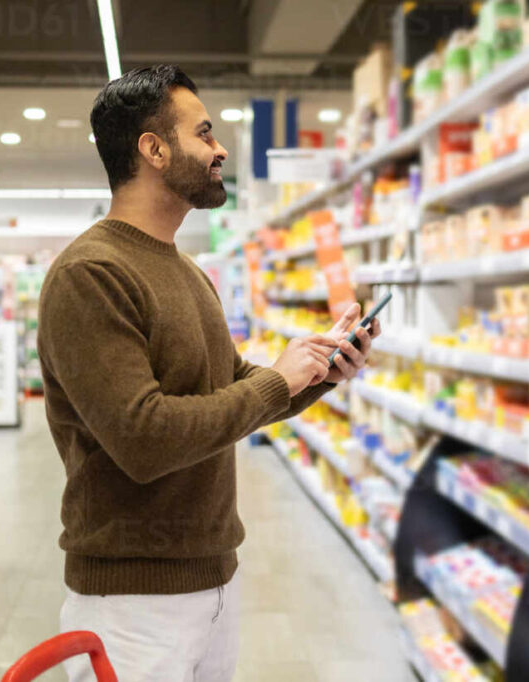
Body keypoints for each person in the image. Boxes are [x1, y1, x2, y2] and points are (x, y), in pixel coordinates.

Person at [37, 65, 381, 682]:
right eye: (205, 133)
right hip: (132, 604)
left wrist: (321, 371)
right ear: (155, 149)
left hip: (214, 578)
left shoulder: (188, 271)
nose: (221, 149)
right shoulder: (90, 274)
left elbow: (233, 388)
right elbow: (143, 438)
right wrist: (276, 379)